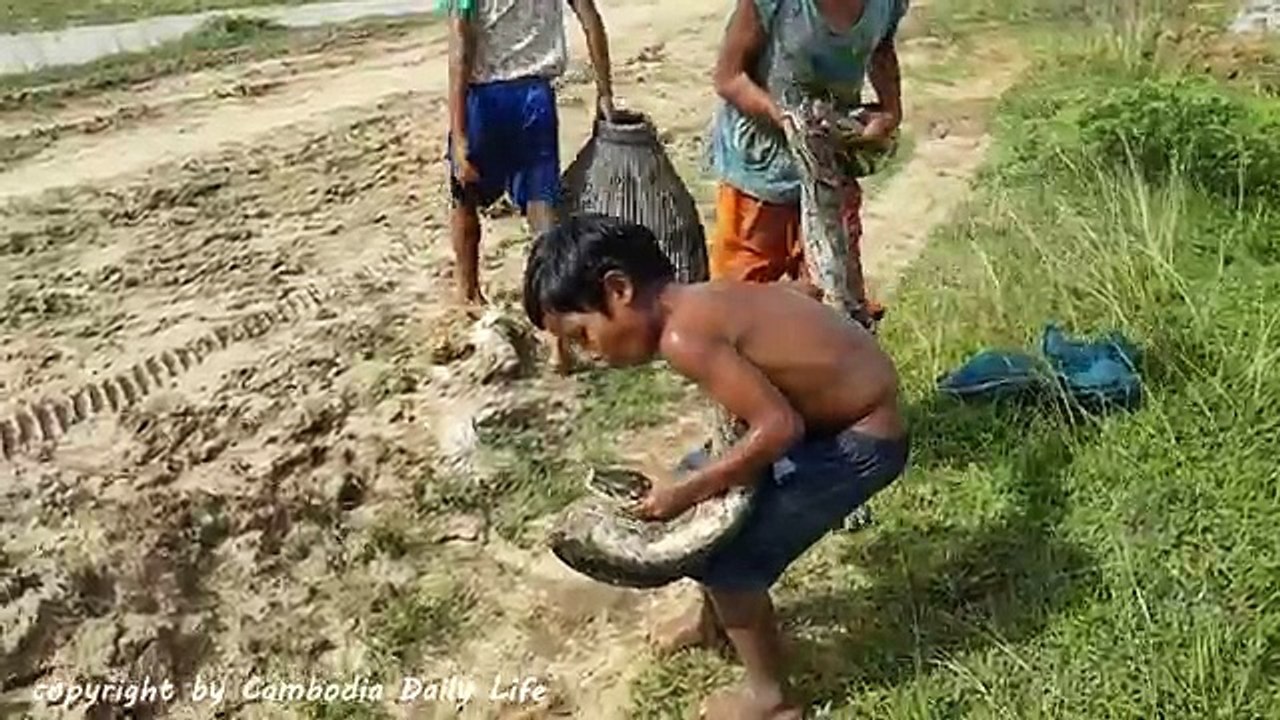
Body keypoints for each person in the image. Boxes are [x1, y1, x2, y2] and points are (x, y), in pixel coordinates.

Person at [523, 213, 910, 720]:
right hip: (834, 421)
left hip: (861, 440)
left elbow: (779, 428)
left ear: (618, 290)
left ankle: (772, 699)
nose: (584, 354)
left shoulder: (685, 339)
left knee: (730, 562)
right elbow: (799, 299)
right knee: (698, 478)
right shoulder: (702, 299)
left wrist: (686, 492)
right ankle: (712, 622)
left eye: (582, 334)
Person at [706, 0, 910, 327]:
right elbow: (729, 77)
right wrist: (788, 120)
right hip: (759, 174)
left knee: (835, 305)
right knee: (740, 312)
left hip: (830, 169)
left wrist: (890, 111)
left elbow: (881, 48)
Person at [442, 0, 616, 373]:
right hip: (535, 99)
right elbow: (590, 19)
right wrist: (604, 93)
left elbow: (461, 46)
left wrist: (458, 134)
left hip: (483, 100)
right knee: (542, 213)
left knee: (463, 196)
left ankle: (468, 294)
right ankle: (558, 341)